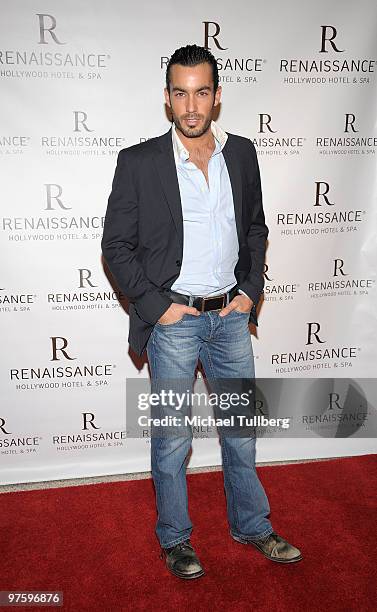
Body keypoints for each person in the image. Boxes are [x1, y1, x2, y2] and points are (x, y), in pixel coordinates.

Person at [101, 44, 302, 580]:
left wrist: (250, 291)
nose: (192, 106)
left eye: (202, 93)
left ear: (216, 97)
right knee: (172, 439)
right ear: (168, 99)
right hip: (175, 322)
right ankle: (175, 540)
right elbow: (116, 244)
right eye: (181, 93)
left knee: (240, 431)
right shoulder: (139, 162)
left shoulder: (242, 153)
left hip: (231, 317)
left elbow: (255, 230)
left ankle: (253, 526)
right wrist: (156, 307)